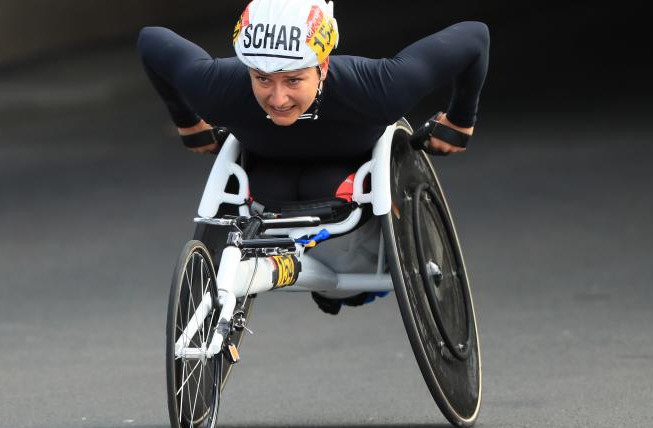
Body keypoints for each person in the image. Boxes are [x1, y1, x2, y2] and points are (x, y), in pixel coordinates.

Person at [138, 0, 489, 314]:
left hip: (347, 184)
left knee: (339, 291)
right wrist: (187, 121)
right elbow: (151, 40)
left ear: (322, 65)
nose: (277, 99)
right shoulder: (216, 88)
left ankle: (342, 286)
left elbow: (475, 36)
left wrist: (461, 119)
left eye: (293, 80)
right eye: (262, 79)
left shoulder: (378, 87)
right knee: (272, 188)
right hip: (267, 180)